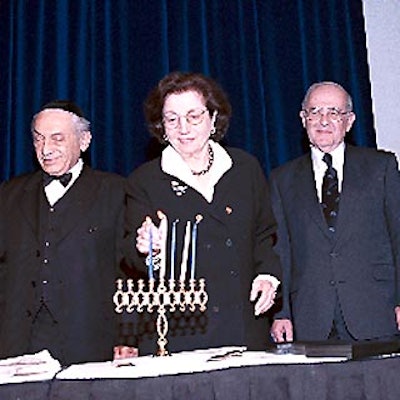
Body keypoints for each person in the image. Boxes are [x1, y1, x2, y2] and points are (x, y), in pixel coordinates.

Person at [124, 71, 281, 354]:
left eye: (193, 116)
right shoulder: (144, 180)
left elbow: (265, 236)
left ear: (213, 118)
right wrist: (148, 248)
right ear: (162, 126)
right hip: (181, 331)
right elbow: (133, 256)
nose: (183, 128)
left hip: (244, 327)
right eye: (172, 119)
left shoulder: (245, 168)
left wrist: (268, 276)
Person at [270, 81, 400, 343]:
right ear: (303, 118)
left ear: (349, 121)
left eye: (334, 112)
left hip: (376, 312)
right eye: (315, 111)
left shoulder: (381, 167)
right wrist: (281, 313)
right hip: (312, 318)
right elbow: (281, 250)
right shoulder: (282, 179)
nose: (323, 120)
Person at [0, 100, 126, 365]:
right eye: (38, 139)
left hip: (89, 344)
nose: (46, 149)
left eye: (57, 138)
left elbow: (129, 272)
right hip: (17, 344)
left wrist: (128, 336)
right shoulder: (8, 194)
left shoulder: (116, 192)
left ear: (84, 140)